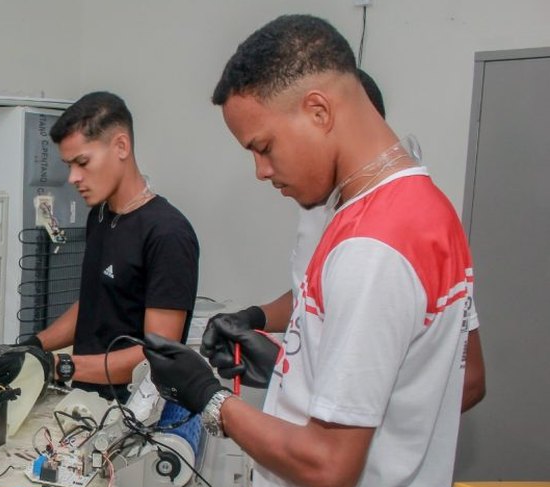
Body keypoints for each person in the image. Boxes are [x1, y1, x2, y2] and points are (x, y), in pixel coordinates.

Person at [143, 15, 477, 487]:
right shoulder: (418, 210)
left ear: (319, 109)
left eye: (263, 146)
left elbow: (329, 466)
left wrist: (208, 399)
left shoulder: (372, 248)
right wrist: (297, 357)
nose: (261, 172)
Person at [205, 68, 486, 412]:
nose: (262, 171)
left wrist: (224, 401)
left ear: (324, 117)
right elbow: (316, 295)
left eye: (265, 147)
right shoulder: (319, 207)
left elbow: (468, 381)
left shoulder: (388, 236)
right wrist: (255, 318)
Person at [16, 91, 199, 403]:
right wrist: (31, 348)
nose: (73, 177)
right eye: (68, 165)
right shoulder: (99, 217)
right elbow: (93, 306)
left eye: (83, 162)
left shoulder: (168, 233)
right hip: (88, 402)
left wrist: (58, 366)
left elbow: (158, 357)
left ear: (121, 146)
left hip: (135, 417)